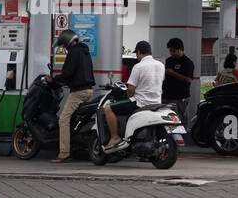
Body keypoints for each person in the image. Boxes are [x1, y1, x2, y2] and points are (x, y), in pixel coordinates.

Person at [104, 41, 165, 149]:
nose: (136, 56)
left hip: (141, 103)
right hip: (156, 103)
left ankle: (114, 137)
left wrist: (127, 96)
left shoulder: (139, 66)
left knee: (108, 108)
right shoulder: (161, 65)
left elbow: (131, 89)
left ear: (139, 52)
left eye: (136, 54)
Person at [51, 29, 95, 163]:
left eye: (63, 45)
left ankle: (64, 153)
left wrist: (53, 80)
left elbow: (67, 74)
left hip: (78, 92)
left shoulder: (73, 53)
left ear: (67, 43)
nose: (63, 48)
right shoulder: (85, 51)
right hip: (89, 90)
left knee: (63, 119)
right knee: (75, 119)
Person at [162, 37, 196, 124]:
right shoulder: (168, 61)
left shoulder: (187, 62)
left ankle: (183, 136)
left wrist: (173, 73)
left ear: (181, 49)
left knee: (179, 118)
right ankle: (170, 137)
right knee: (167, 119)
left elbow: (189, 80)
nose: (172, 53)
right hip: (166, 95)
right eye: (170, 51)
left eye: (174, 51)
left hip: (180, 97)